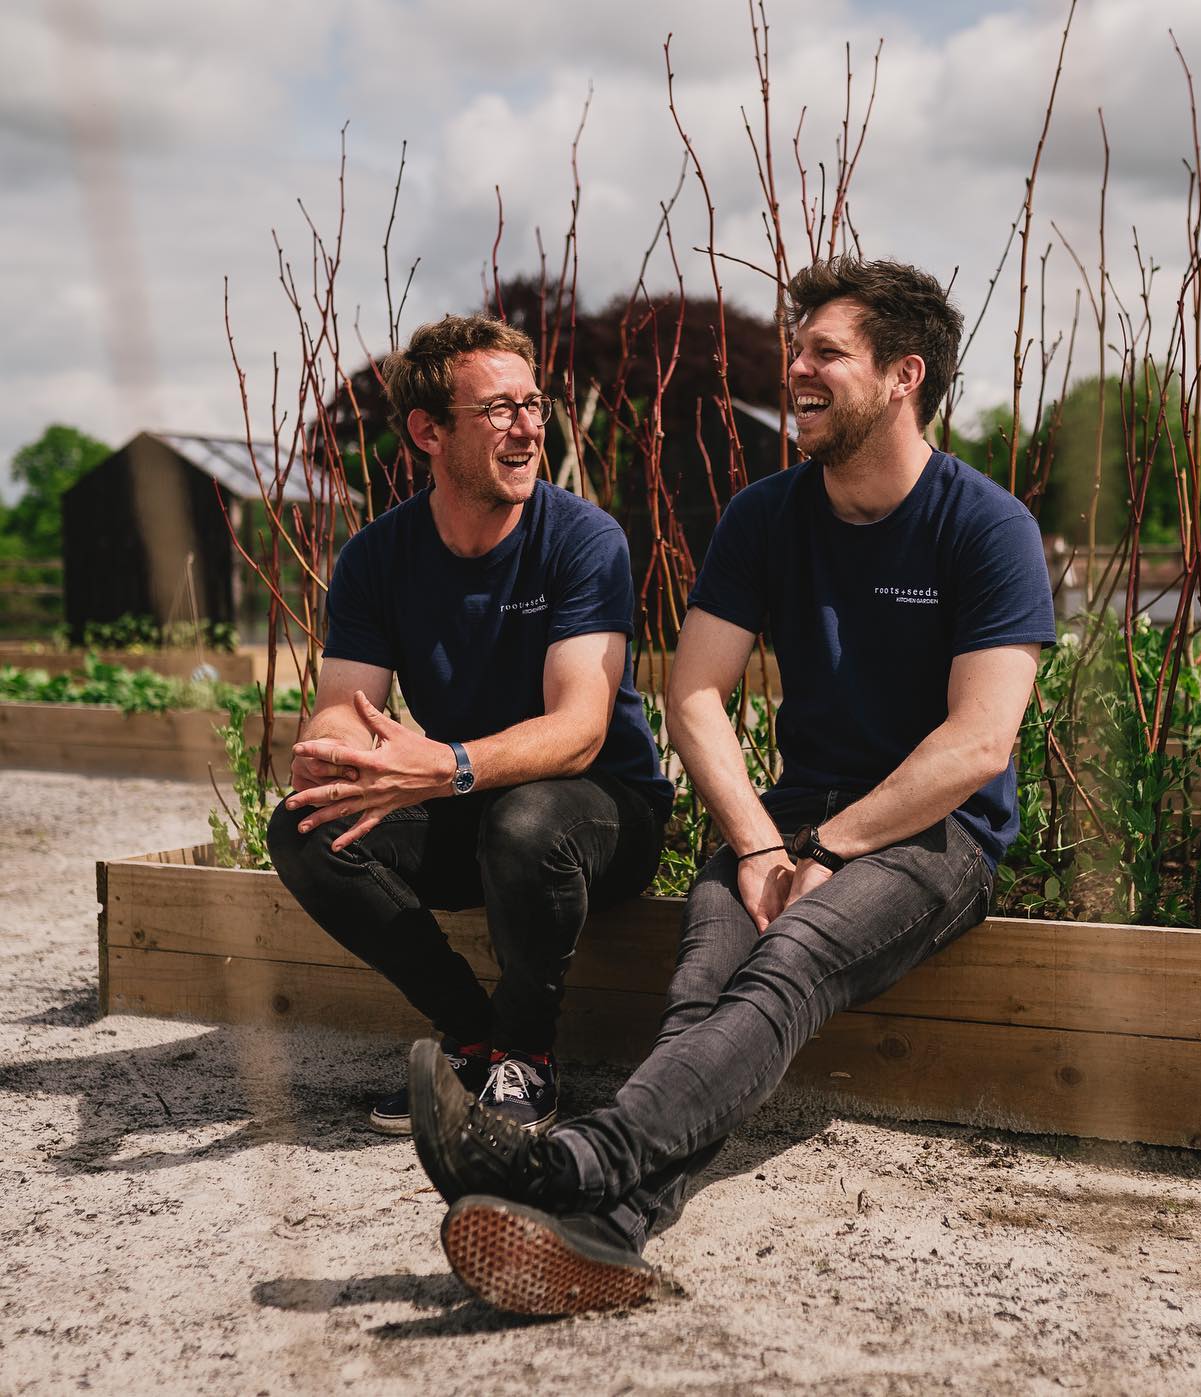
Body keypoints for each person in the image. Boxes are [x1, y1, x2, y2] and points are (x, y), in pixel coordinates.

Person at [407, 257, 1057, 1315]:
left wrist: (833, 849)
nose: (795, 368)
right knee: (705, 981)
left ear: (904, 374)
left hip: (936, 836)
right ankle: (607, 1233)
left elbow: (978, 743)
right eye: (796, 349)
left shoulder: (986, 527)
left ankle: (564, 1164)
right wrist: (760, 842)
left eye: (823, 353)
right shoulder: (765, 516)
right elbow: (695, 694)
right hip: (791, 823)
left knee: (788, 956)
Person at [267, 313, 673, 1137]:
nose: (526, 427)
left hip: (600, 812)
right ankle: (474, 1033)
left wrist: (445, 764)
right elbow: (347, 705)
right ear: (427, 432)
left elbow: (579, 731)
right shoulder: (378, 557)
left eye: (534, 404)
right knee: (307, 829)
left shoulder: (582, 540)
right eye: (498, 409)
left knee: (527, 823)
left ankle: (528, 1057)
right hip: (474, 805)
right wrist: (334, 761)